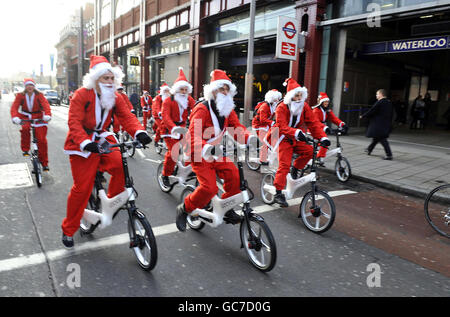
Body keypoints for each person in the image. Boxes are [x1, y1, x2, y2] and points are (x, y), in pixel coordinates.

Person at [61, 55, 151, 249]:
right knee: (81, 188)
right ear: (95, 79)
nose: (110, 82)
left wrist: (140, 132)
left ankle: (110, 203)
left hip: (103, 137)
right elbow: (74, 122)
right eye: (105, 78)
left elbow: (127, 117)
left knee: (120, 164)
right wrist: (85, 142)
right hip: (82, 142)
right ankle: (69, 228)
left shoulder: (115, 97)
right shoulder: (81, 95)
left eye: (112, 78)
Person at [175, 69, 256, 232]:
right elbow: (193, 136)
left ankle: (226, 208)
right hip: (198, 152)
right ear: (213, 90)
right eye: (221, 89)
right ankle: (185, 208)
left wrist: (250, 140)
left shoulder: (227, 109)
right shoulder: (202, 109)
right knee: (209, 188)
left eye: (227, 89)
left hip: (215, 152)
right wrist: (206, 148)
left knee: (234, 176)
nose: (225, 92)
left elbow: (237, 127)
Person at [270, 78, 329, 207]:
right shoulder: (281, 107)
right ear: (290, 96)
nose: (298, 98)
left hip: (297, 138)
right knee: (284, 165)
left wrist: (323, 138)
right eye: (296, 95)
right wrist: (296, 133)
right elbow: (281, 126)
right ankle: (278, 193)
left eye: (300, 95)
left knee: (310, 151)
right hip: (283, 138)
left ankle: (296, 168)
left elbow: (313, 124)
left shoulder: (305, 106)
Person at [160, 67, 196, 187]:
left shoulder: (189, 99)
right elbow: (165, 117)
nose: (184, 91)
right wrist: (173, 127)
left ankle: (187, 169)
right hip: (168, 129)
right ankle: (165, 174)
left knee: (192, 148)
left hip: (182, 128)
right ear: (176, 89)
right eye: (181, 89)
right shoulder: (168, 101)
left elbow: (197, 109)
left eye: (186, 89)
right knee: (173, 152)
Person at [11, 78, 52, 171]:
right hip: (25, 117)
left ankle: (44, 163)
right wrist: (15, 117)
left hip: (38, 117)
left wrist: (48, 115)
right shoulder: (20, 96)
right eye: (28, 85)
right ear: (25, 87)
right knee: (25, 129)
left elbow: (46, 105)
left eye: (31, 85)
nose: (30, 87)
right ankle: (25, 149)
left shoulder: (39, 95)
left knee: (42, 140)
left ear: (34, 86)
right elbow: (14, 107)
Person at [312, 92, 347, 166]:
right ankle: (319, 158)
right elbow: (316, 122)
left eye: (327, 101)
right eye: (325, 101)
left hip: (322, 129)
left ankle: (319, 157)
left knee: (324, 142)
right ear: (321, 102)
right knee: (325, 142)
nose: (326, 103)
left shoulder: (327, 110)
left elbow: (334, 119)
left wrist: (342, 124)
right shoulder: (316, 110)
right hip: (314, 128)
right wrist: (325, 128)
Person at [360, 89, 393, 160]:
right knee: (376, 138)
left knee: (382, 139)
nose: (376, 95)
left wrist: (363, 116)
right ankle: (369, 149)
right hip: (385, 123)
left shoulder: (380, 102)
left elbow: (372, 110)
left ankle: (389, 155)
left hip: (378, 124)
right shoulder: (388, 102)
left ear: (381, 94)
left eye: (377, 94)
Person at [251, 89, 282, 165]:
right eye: (276, 98)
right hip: (258, 126)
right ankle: (262, 159)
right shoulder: (265, 106)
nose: (278, 100)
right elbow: (262, 119)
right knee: (265, 141)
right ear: (272, 98)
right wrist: (273, 122)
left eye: (278, 98)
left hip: (265, 125)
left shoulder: (273, 106)